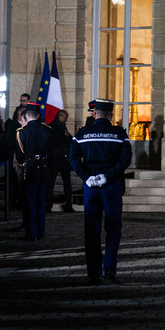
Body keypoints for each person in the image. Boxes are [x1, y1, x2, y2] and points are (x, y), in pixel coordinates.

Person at [70, 99, 132, 285]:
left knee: (92, 230)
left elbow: (73, 159)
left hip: (91, 187)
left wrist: (87, 177)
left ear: (94, 114)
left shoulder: (82, 134)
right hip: (111, 186)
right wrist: (107, 176)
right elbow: (124, 161)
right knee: (113, 229)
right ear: (111, 116)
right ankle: (109, 270)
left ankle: (93, 273)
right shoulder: (119, 134)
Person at [15, 104, 53, 241]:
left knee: (30, 202)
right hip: (44, 167)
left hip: (30, 168)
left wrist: (23, 165)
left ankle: (32, 233)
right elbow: (51, 150)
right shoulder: (47, 130)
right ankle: (40, 232)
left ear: (26, 115)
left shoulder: (22, 131)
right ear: (38, 115)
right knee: (41, 202)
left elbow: (20, 155)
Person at [46, 110, 74, 213]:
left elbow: (69, 138)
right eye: (65, 118)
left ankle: (67, 204)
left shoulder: (61, 126)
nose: (66, 120)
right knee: (52, 183)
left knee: (65, 183)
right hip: (56, 158)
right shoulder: (53, 127)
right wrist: (65, 137)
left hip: (61, 159)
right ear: (60, 117)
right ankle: (48, 204)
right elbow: (55, 141)